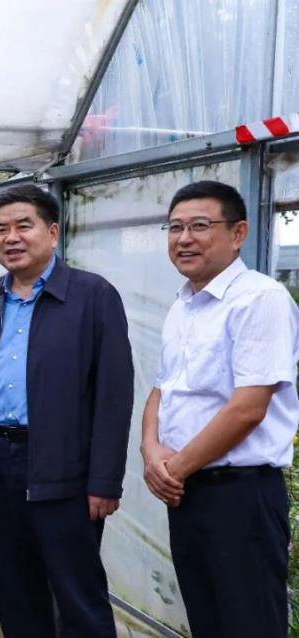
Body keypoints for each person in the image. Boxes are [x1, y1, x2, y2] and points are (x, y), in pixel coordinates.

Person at [0, 184, 133, 637]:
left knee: (77, 593)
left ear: (52, 233)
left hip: (65, 467)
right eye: (1, 229)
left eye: (23, 226)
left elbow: (114, 395)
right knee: (15, 589)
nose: (10, 237)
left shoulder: (92, 296)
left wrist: (104, 480)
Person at [141, 181, 299, 638]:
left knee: (249, 623)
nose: (184, 238)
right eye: (175, 227)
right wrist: (151, 452)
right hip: (188, 492)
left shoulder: (260, 298)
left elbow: (248, 408)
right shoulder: (184, 304)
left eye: (199, 226)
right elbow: (162, 390)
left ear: (238, 233)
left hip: (240, 495)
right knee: (207, 620)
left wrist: (172, 470)